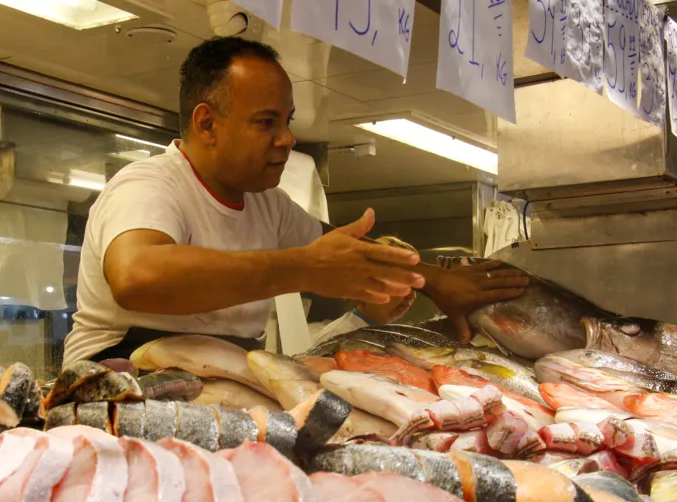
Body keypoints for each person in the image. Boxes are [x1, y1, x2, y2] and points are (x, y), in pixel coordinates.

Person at [63, 36, 527, 365]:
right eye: (266, 122)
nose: (287, 139)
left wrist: (437, 281)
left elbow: (347, 257)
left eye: (287, 120)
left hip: (219, 398)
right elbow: (136, 276)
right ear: (207, 124)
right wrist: (302, 268)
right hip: (117, 395)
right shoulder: (148, 184)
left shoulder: (270, 206)